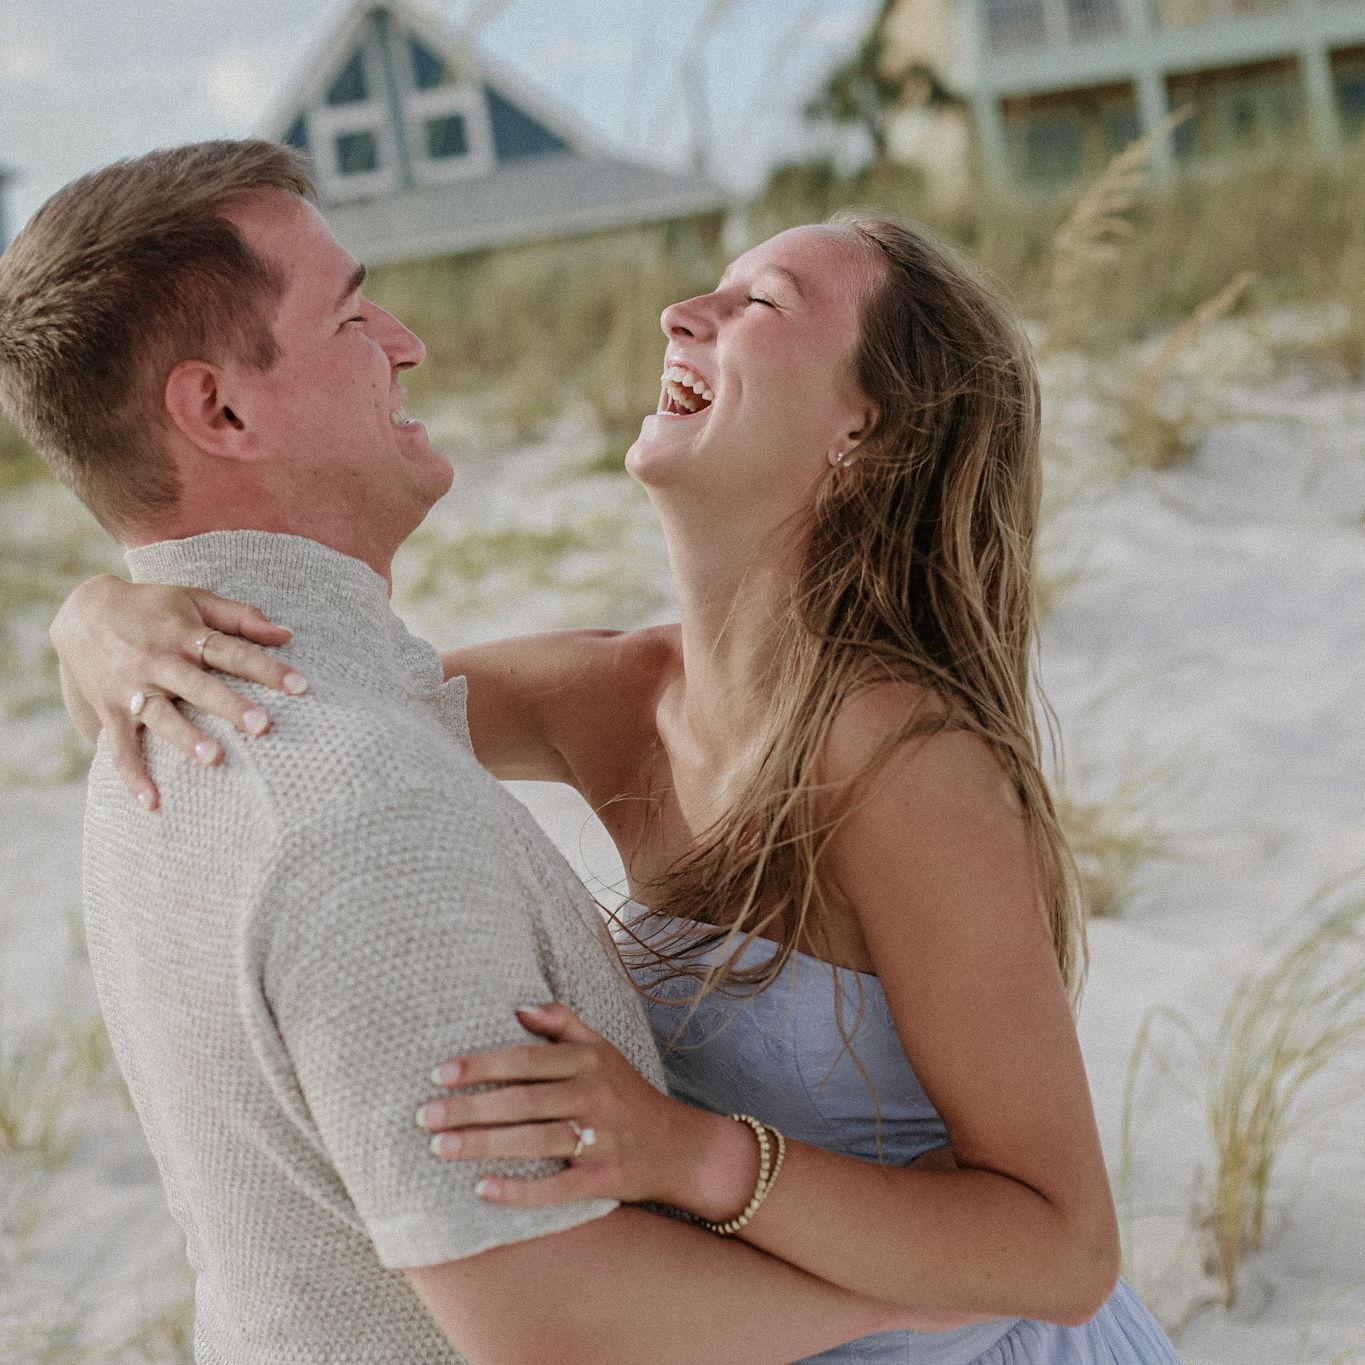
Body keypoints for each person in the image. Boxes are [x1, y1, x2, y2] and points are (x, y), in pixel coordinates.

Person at [44, 173, 1184, 1361]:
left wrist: (700, 1157)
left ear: (864, 434)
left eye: (762, 304)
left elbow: (1063, 1251)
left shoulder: (901, 762)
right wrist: (95, 613)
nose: (682, 314)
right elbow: (323, 718)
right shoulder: (611, 693)